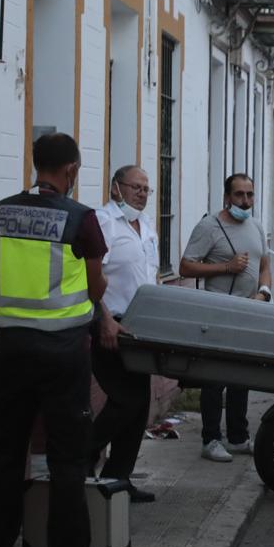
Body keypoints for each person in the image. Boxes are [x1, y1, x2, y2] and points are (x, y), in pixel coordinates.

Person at [0, 132, 113, 547]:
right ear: (72, 170)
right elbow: (96, 292)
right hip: (64, 354)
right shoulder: (82, 220)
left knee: (2, 453)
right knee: (68, 460)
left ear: (37, 164)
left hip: (10, 350)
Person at [179, 174, 272, 463]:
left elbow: (265, 265)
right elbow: (185, 266)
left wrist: (265, 292)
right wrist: (226, 267)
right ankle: (211, 439)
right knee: (214, 378)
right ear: (226, 197)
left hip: (249, 311)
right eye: (239, 195)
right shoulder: (210, 226)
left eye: (250, 195)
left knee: (240, 376)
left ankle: (238, 437)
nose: (245, 201)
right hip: (217, 313)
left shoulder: (256, 226)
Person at [87, 165, 160, 502]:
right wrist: (103, 319)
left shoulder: (146, 227)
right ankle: (82, 457)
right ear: (116, 188)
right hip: (110, 325)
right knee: (125, 401)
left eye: (147, 189)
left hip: (141, 330)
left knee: (139, 404)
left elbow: (150, 279)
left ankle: (119, 480)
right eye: (136, 187)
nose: (142, 194)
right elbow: (90, 276)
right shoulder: (103, 222)